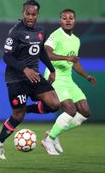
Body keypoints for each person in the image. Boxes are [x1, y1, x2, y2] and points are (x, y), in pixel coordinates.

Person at [0, 0, 69, 160]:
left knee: (54, 104)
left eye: (33, 14)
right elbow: (6, 56)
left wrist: (52, 69)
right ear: (23, 13)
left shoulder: (41, 30)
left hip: (34, 76)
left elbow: (40, 51)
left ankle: (25, 109)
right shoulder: (16, 32)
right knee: (17, 116)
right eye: (27, 14)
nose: (30, 17)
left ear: (37, 14)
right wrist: (24, 69)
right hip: (16, 79)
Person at [40, 9, 97, 155]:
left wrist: (86, 76)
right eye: (64, 18)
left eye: (71, 18)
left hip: (68, 79)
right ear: (60, 21)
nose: (68, 20)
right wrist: (66, 58)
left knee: (84, 112)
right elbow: (46, 53)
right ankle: (49, 140)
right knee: (70, 110)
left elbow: (74, 62)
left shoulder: (76, 40)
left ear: (75, 20)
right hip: (56, 77)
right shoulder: (56, 35)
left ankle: (53, 133)